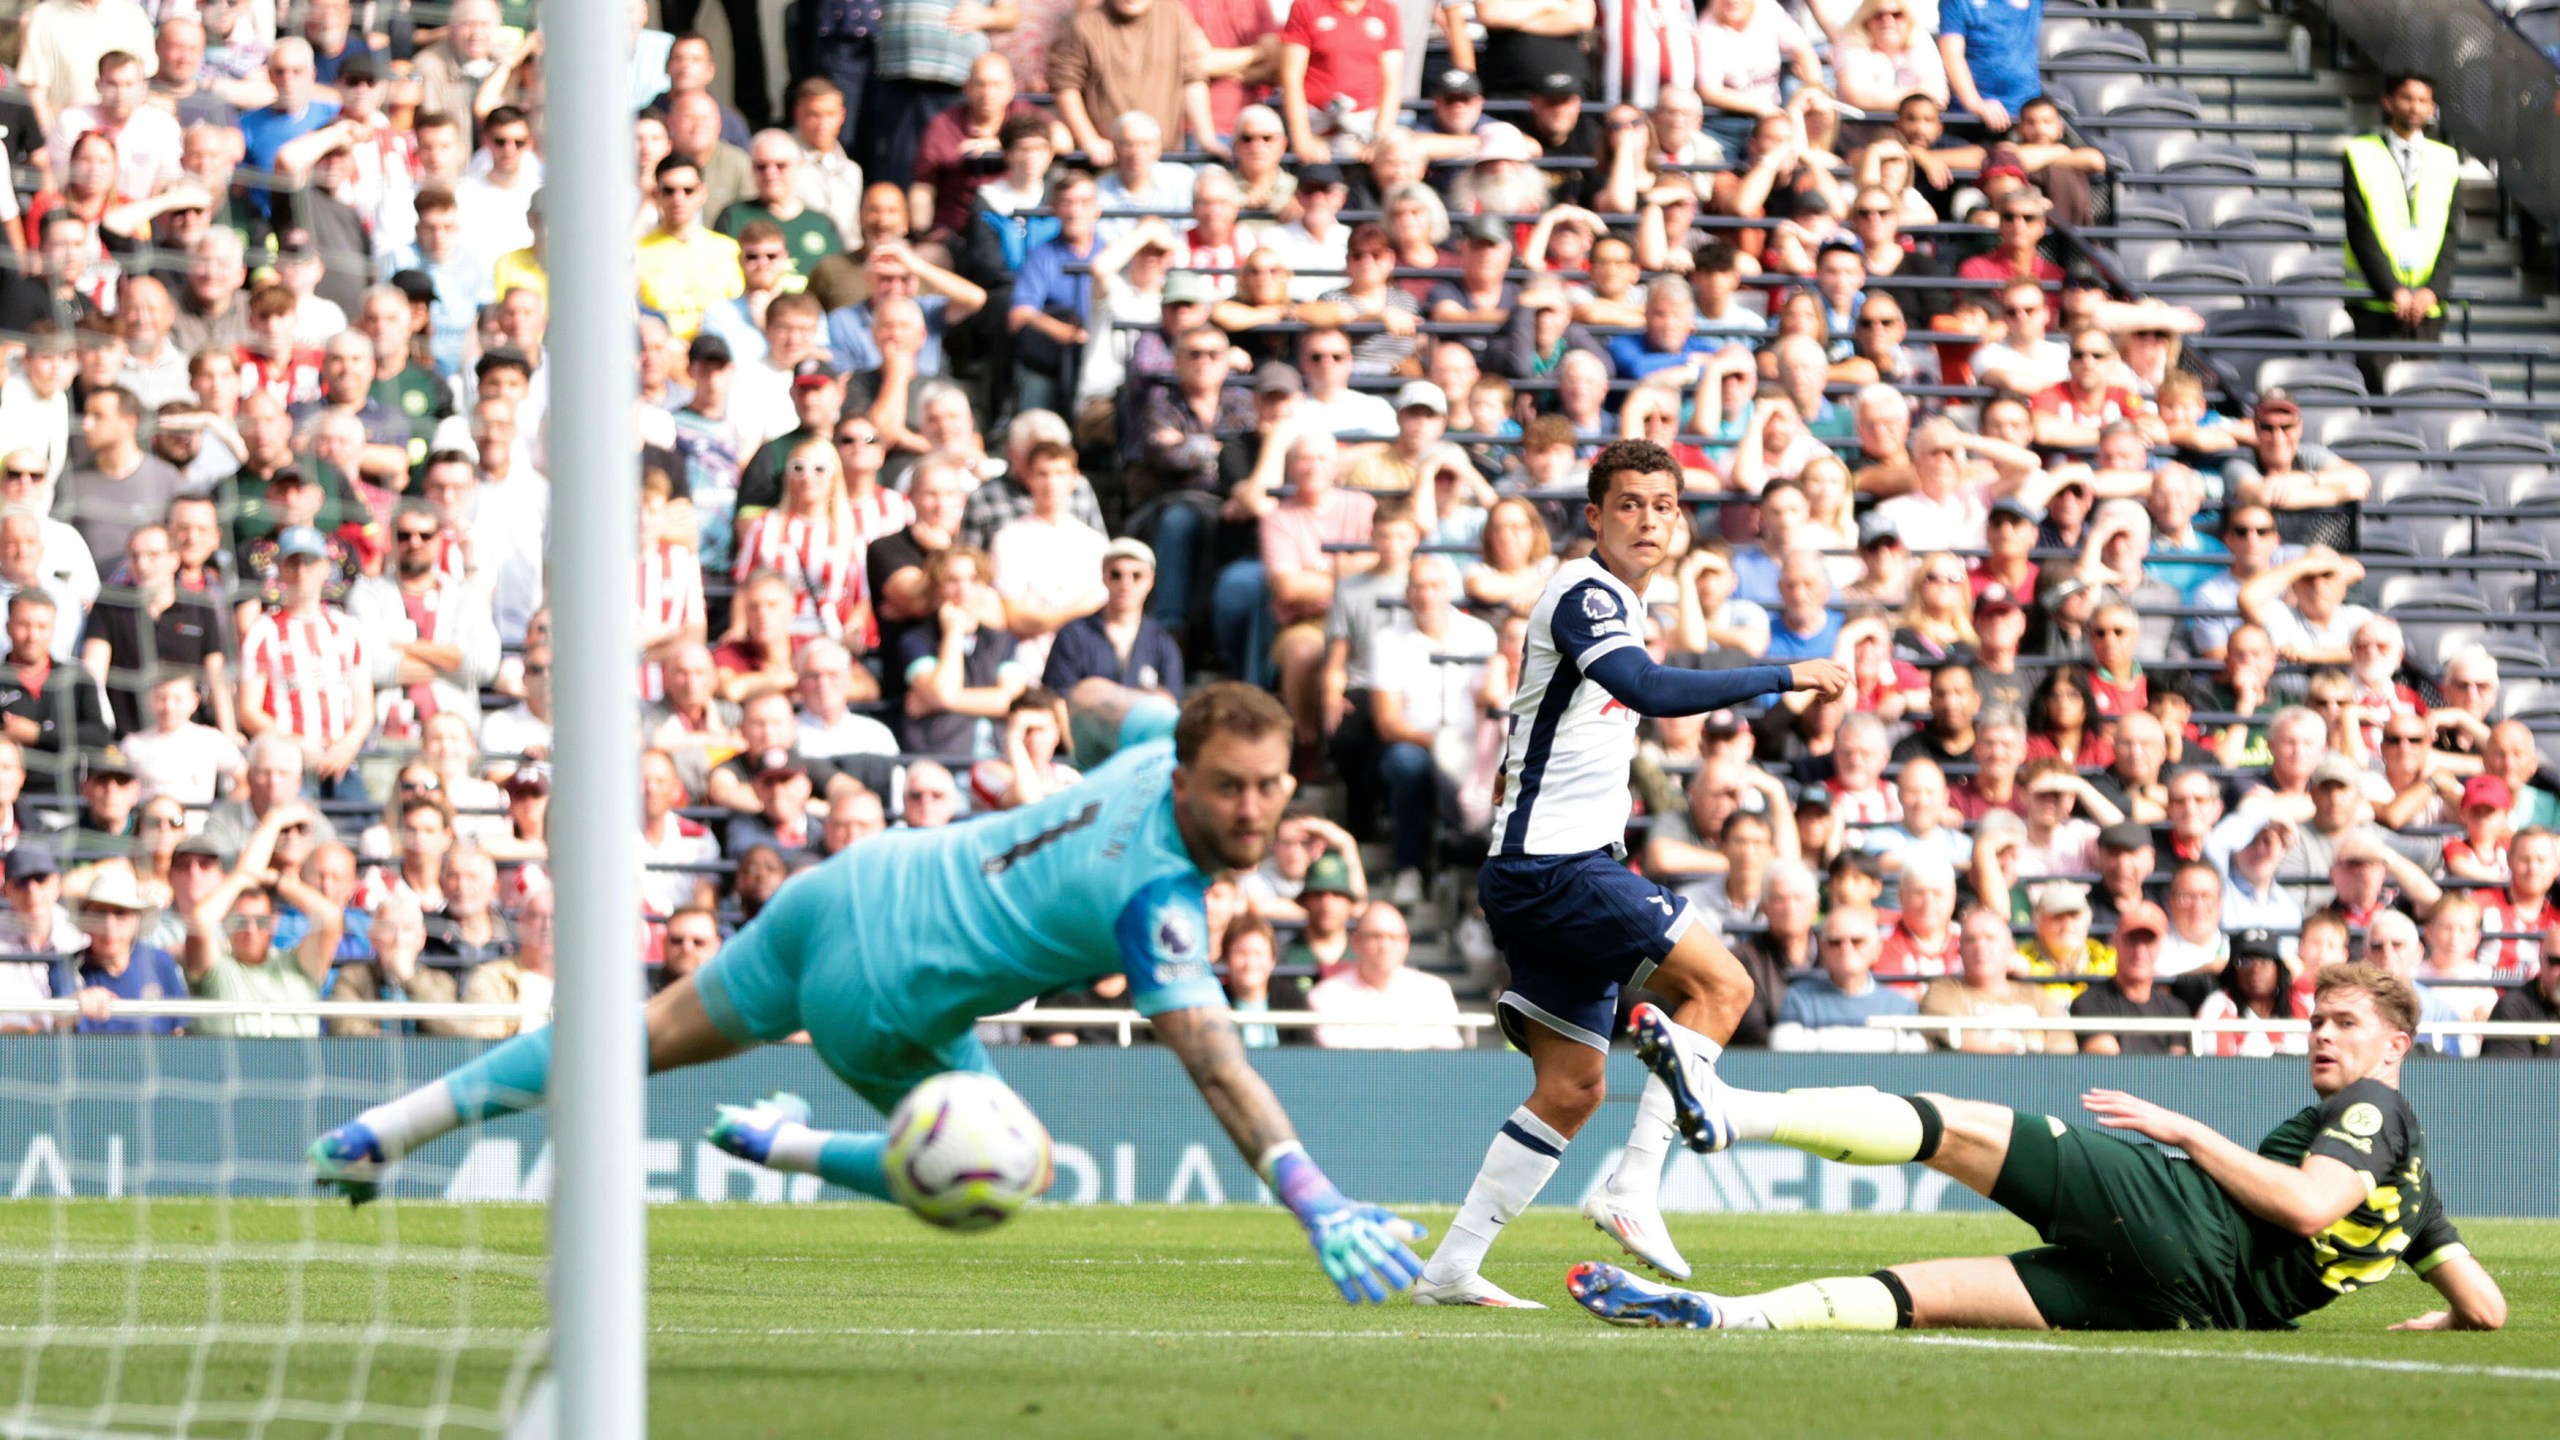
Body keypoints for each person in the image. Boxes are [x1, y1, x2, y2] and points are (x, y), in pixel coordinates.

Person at [309, 684, 1426, 1307]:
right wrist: (1313, 1198)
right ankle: (788, 1148)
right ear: (1183, 778)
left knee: (630, 1039)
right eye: (1226, 788)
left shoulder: (1152, 744)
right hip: (885, 1001)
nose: (1248, 809)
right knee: (1009, 1167)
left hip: (855, 880)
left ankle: (378, 1132)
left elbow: (1091, 697)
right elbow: (1216, 1067)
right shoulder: (1159, 901)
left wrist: (1070, 735)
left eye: (1267, 789)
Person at [1417, 439, 1846, 1307]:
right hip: (1554, 867)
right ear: (1596, 517)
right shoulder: (1585, 594)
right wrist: (1783, 675)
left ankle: (1450, 1268)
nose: (1649, 518)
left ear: (1679, 518)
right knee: (1724, 986)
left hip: (1545, 868)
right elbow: (1645, 687)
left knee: (1572, 1088)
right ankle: (1634, 1185)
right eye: (1630, 504)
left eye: (1664, 504)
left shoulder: (1622, 601)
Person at [1574, 962, 2506, 1336]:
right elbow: (2488, 1307)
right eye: (2316, 1022)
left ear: (2396, 1048)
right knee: (1928, 1295)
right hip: (2199, 1309)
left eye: (2345, 1024)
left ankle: (1731, 1113)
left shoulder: (2375, 1107)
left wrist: (2185, 1131)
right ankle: (1726, 1317)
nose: (2323, 1037)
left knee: (1956, 1124)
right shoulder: (2417, 1196)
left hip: (2189, 1225)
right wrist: (2449, 1320)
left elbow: (2307, 1203)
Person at [2343, 74, 2458, 392]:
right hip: (2375, 303)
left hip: (2426, 306)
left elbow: (2451, 235)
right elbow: (2359, 230)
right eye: (2407, 98)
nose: (2415, 107)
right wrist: (2393, 290)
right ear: (2388, 102)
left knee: (2421, 395)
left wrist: (2432, 291)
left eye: (2423, 101)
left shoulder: (2446, 159)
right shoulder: (2360, 153)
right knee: (2379, 396)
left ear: (2432, 107)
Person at [1307, 901, 1464, 1049]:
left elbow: (1448, 1055)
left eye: (1394, 937)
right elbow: (1333, 1059)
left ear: (1406, 943)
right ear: (1356, 941)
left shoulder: (1435, 992)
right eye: (1375, 937)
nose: (1385, 946)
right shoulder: (1326, 995)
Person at [2068, 902, 2193, 1056]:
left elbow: (2177, 1072)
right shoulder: (2089, 1002)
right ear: (2114, 941)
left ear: (2162, 945)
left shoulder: (2176, 1010)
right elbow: (2107, 1069)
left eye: (2149, 941)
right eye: (2132, 940)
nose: (2140, 952)